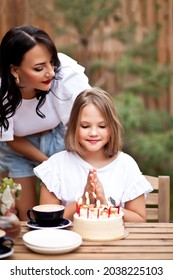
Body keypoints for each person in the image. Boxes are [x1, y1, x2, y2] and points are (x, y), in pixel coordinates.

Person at [0, 25, 91, 220]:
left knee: (65, 210)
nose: (50, 72)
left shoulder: (64, 74)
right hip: (19, 146)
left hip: (61, 137)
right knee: (27, 217)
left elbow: (83, 123)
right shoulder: (2, 90)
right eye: (39, 68)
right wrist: (48, 163)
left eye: (52, 63)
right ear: (14, 70)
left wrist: (66, 164)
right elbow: (10, 138)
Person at [34, 87, 153, 222]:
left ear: (112, 128)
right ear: (74, 127)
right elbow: (47, 221)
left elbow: (139, 219)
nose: (93, 133)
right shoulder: (56, 165)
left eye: (102, 126)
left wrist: (104, 203)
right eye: (85, 126)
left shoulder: (126, 165)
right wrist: (84, 200)